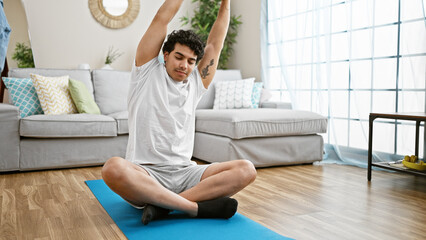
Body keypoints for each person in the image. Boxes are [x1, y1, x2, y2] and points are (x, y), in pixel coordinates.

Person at [101, 0, 256, 225]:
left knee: (246, 169)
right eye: (179, 57)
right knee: (112, 168)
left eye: (191, 61)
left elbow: (216, 43)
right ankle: (192, 207)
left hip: (186, 174)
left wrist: (226, 2)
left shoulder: (196, 83)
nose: (185, 65)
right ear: (165, 54)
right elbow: (161, 18)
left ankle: (164, 207)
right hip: (147, 174)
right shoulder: (146, 71)